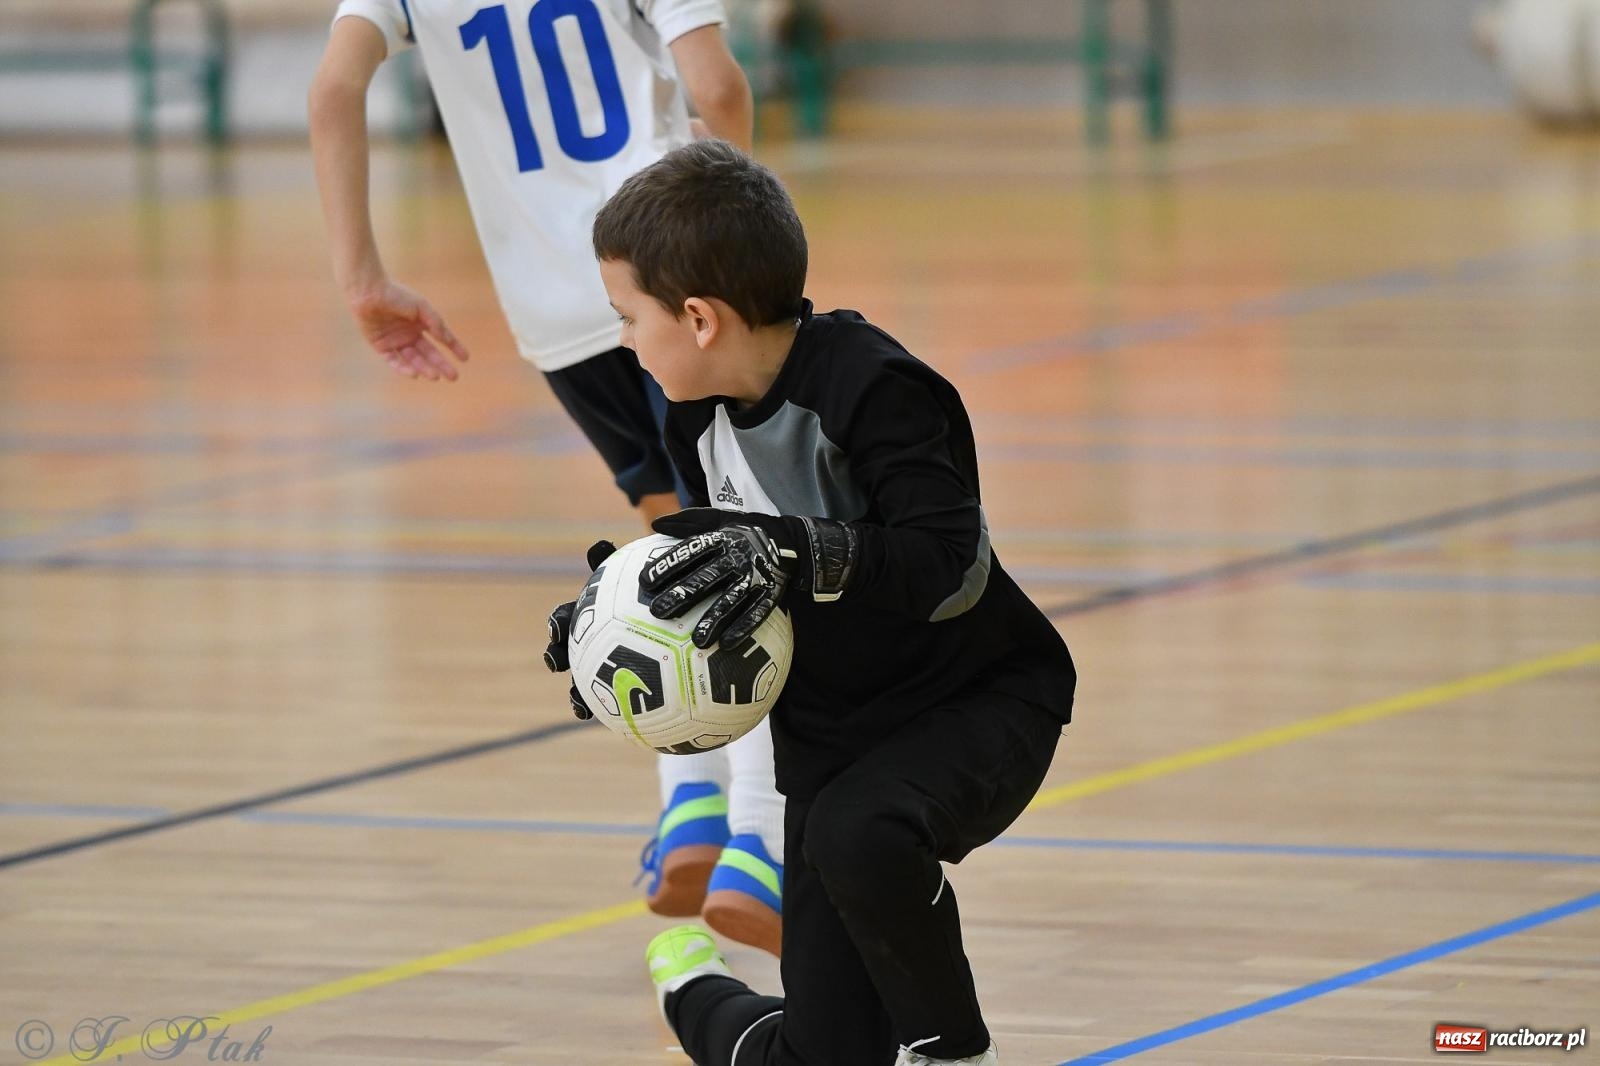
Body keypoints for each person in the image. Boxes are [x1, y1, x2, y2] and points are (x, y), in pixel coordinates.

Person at [562, 138, 1077, 1065]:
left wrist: (797, 549)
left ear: (699, 317)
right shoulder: (692, 412)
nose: (625, 343)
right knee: (820, 1052)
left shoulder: (874, 387)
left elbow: (948, 562)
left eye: (628, 318)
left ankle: (951, 1051)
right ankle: (689, 980)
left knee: (861, 830)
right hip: (835, 736)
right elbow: (714, 563)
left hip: (983, 701)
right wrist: (615, 617)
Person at [308, 0, 784, 954]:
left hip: (557, 312)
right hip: (670, 283)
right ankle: (763, 841)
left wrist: (363, 280)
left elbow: (333, 92)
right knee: (745, 556)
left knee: (669, 540)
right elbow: (719, 89)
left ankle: (689, 801)